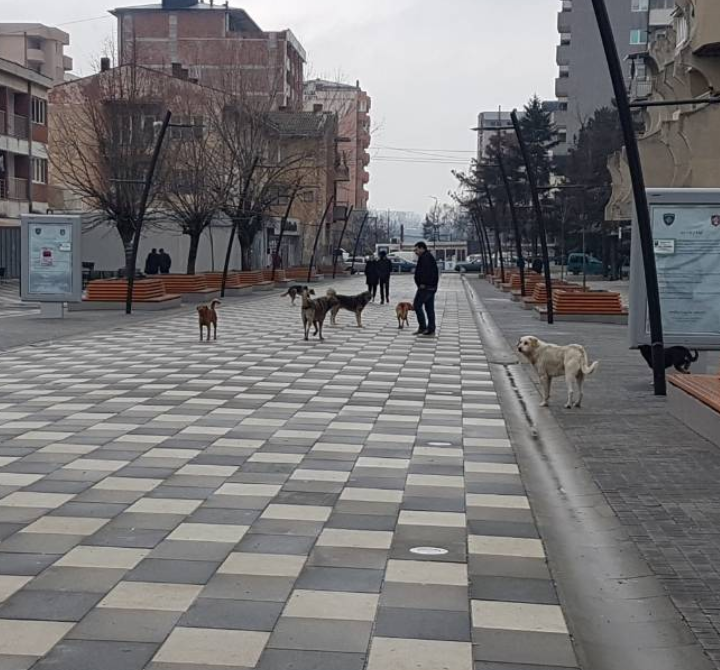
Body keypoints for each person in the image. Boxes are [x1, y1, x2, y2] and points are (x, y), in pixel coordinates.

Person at [413, 241, 439, 336]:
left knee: (417, 305)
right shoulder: (427, 257)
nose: (415, 252)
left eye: (416, 249)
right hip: (430, 287)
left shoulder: (425, 258)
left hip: (425, 287)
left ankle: (423, 327)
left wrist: (422, 283)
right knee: (429, 308)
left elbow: (426, 273)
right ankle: (431, 328)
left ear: (422, 248)